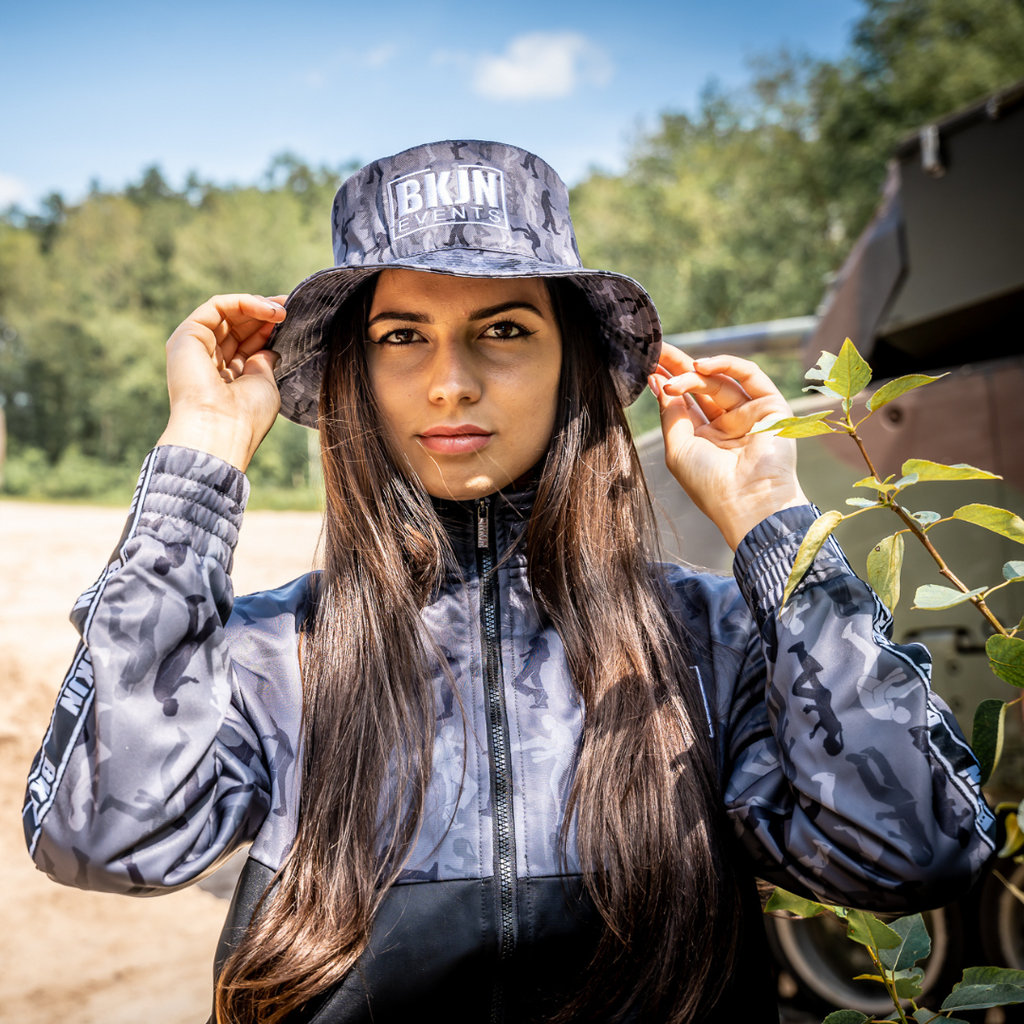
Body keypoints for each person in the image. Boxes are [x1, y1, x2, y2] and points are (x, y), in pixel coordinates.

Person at [23, 140, 995, 1024]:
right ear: (355, 371)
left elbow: (919, 843)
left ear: (572, 357)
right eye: (402, 335)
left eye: (503, 328)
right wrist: (197, 458)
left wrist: (770, 522)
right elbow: (103, 834)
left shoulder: (708, 644)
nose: (450, 380)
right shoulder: (275, 656)